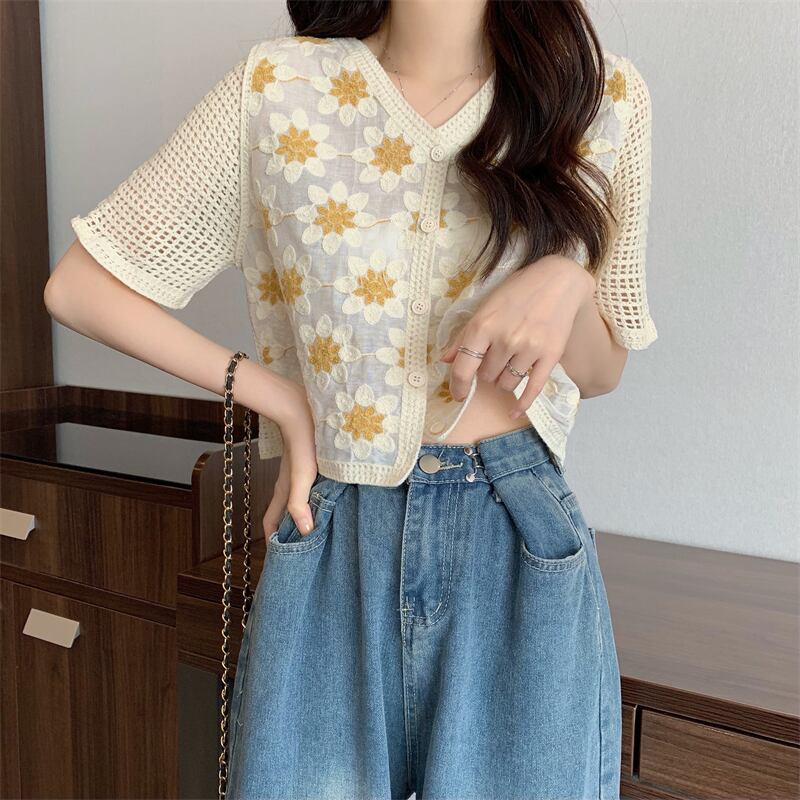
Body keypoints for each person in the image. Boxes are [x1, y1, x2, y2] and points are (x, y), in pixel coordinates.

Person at [45, 1, 657, 797]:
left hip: (516, 532)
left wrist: (570, 280)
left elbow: (603, 372)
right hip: (334, 524)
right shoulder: (279, 88)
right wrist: (279, 398)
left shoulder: (599, 96)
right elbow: (80, 288)